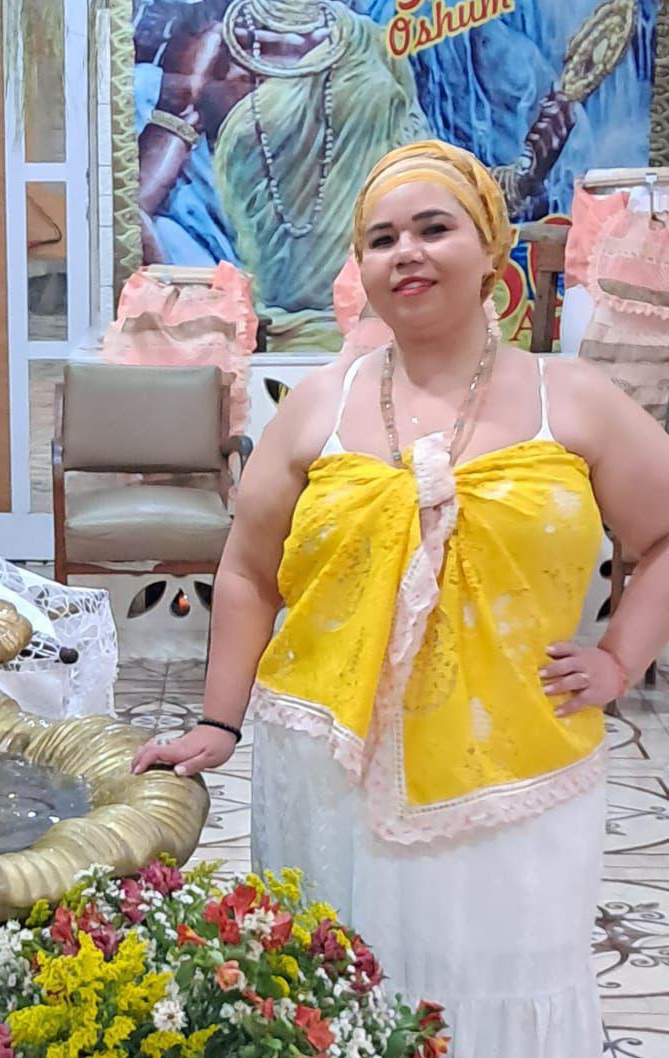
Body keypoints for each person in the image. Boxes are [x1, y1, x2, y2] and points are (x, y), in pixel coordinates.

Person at [132, 140, 669, 1054]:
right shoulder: (316, 406)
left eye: (432, 229)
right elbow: (249, 572)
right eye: (381, 239)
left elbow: (661, 539)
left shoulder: (571, 400)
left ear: (490, 250)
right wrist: (219, 722)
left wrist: (622, 658)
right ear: (363, 269)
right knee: (335, 994)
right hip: (327, 771)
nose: (406, 253)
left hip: (517, 770)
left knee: (502, 989)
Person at [136, 0, 582, 351]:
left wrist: (522, 177)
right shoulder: (216, 43)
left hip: (378, 309)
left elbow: (423, 171)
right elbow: (137, 207)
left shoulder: (367, 42)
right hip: (262, 325)